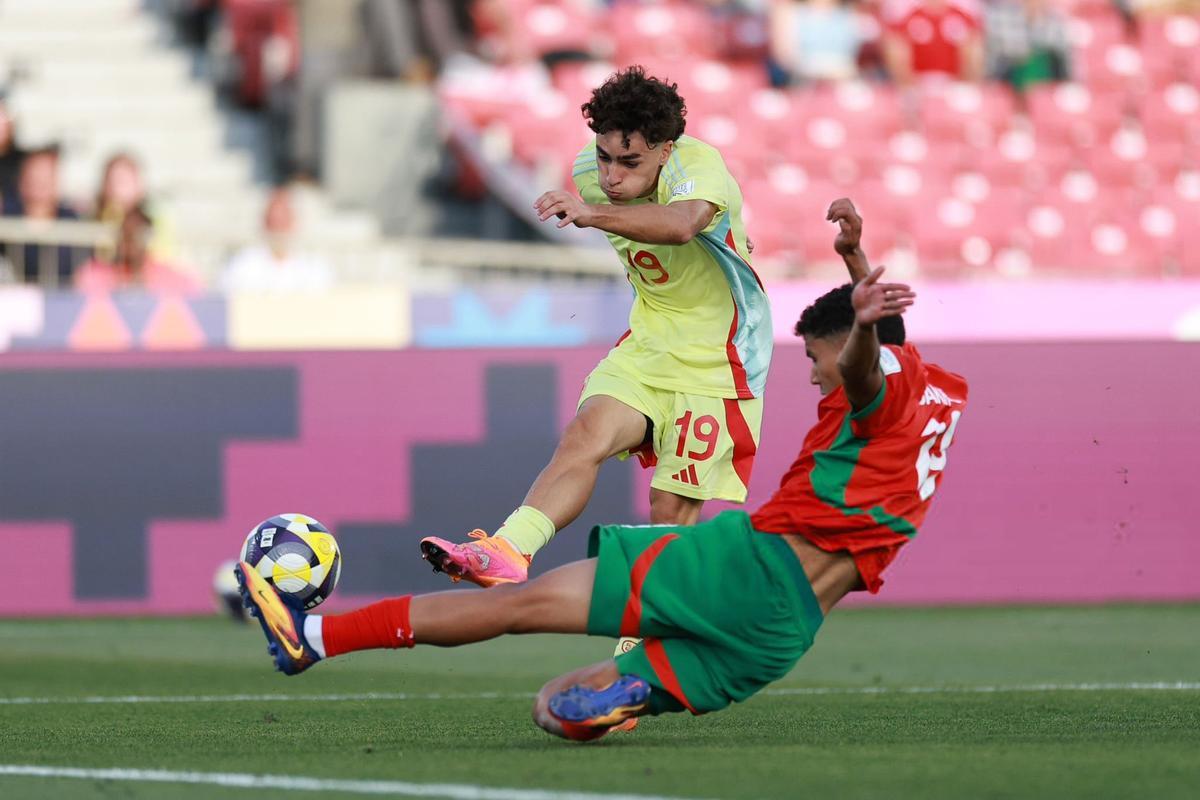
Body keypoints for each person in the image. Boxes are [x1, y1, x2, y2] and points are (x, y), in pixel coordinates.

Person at [237, 199, 969, 742]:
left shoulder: (874, 383)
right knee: (553, 706)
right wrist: (856, 264)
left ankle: (316, 638)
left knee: (517, 606)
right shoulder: (936, 393)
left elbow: (863, 369)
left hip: (743, 567)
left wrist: (859, 324)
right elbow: (883, 343)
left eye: (813, 359)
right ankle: (625, 694)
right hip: (783, 635)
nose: (811, 375)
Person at [418, 66, 773, 598]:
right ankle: (509, 551)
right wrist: (599, 206)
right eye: (605, 156)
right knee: (585, 434)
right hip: (649, 343)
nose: (610, 176)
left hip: (721, 360)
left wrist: (594, 214)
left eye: (630, 163)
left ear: (666, 150)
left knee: (669, 510)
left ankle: (654, 632)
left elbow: (681, 225)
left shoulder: (697, 165)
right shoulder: (587, 171)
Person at [219, 186, 334, 293]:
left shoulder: (315, 267)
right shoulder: (242, 264)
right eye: (273, 219)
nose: (278, 226)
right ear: (264, 222)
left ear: (295, 221)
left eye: (284, 218)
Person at [0, 145, 84, 286]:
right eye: (35, 174)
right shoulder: (6, 216)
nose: (39, 182)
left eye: (45, 175)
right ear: (22, 179)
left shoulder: (72, 220)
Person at [74, 204, 197, 294]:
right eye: (126, 235)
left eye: (137, 236)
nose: (130, 243)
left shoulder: (170, 277)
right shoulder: (94, 274)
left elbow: (194, 290)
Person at [882, 0, 984, 86]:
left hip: (954, 84)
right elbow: (897, 52)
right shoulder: (907, 13)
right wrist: (908, 85)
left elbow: (973, 54)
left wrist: (964, 84)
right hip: (917, 83)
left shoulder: (963, 13)